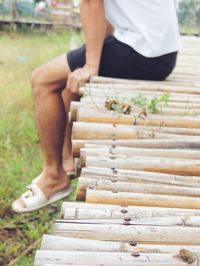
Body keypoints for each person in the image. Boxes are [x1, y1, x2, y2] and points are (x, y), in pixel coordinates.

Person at [12, 0, 180, 213]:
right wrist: (88, 61)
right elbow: (106, 18)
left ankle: (53, 176)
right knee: (68, 80)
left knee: (42, 81)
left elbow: (91, 2)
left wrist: (92, 65)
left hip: (142, 52)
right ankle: (66, 163)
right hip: (160, 52)